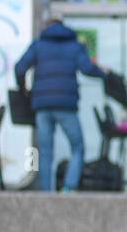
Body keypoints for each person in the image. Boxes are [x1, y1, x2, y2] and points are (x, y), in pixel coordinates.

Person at [13, 17, 111, 193]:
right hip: (66, 105)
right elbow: (87, 69)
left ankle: (46, 192)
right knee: (78, 147)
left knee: (45, 152)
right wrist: (104, 74)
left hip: (42, 105)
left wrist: (24, 90)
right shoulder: (74, 45)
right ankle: (68, 188)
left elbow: (20, 68)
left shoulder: (38, 45)